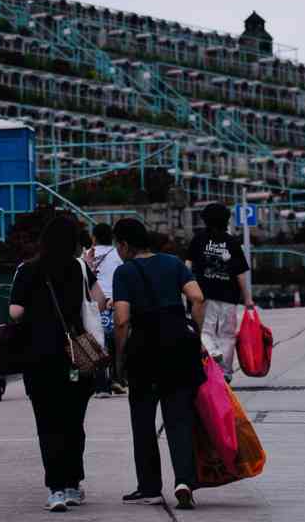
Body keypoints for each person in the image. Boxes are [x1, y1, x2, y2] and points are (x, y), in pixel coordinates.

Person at [8, 216, 105, 512]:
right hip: (76, 354)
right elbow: (100, 301)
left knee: (48, 423)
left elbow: (14, 312)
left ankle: (56, 490)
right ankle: (74, 485)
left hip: (39, 357)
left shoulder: (26, 270)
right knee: (73, 422)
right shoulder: (79, 267)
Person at [112, 218, 206, 510]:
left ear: (124, 245)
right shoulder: (173, 262)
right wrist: (195, 333)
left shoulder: (124, 272)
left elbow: (122, 319)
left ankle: (150, 487)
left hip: (144, 349)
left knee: (143, 419)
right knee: (179, 418)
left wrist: (119, 357)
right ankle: (184, 481)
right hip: (178, 345)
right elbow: (197, 297)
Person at [185, 203, 254, 383]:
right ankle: (226, 373)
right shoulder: (232, 242)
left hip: (203, 294)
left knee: (205, 330)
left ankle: (212, 353)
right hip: (228, 296)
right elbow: (240, 274)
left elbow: (187, 266)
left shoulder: (198, 240)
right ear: (226, 220)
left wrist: (186, 290)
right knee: (228, 335)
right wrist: (248, 299)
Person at [83, 223, 126, 398]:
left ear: (94, 237)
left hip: (94, 304)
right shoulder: (117, 254)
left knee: (96, 344)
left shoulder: (86, 255)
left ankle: (100, 383)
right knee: (115, 343)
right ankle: (117, 378)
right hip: (113, 302)